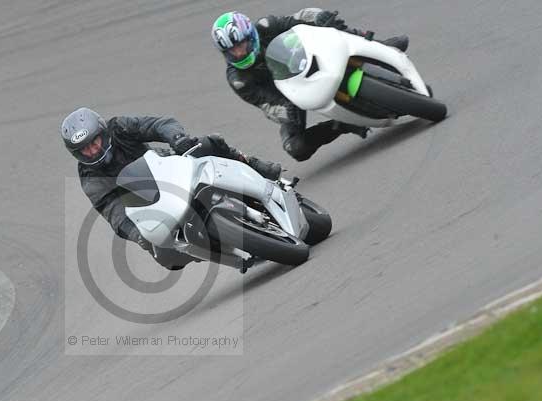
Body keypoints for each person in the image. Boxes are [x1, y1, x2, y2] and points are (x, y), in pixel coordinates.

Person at [61, 107, 283, 270]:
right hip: (150, 206)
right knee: (166, 257)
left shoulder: (119, 127)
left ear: (103, 132)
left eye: (94, 142)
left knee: (210, 143)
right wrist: (138, 235)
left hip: (169, 169)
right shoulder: (89, 177)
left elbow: (157, 124)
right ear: (77, 154)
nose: (92, 150)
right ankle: (233, 254)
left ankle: (253, 165)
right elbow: (112, 211)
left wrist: (178, 139)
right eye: (85, 149)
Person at [211, 9, 410, 161]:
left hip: (304, 59)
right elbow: (266, 104)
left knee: (330, 25)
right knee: (296, 148)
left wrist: (321, 18)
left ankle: (376, 45)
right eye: (233, 50)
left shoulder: (266, 26)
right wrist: (284, 110)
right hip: (288, 96)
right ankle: (341, 124)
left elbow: (300, 19)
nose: (239, 53)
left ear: (250, 35)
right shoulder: (238, 79)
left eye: (241, 44)